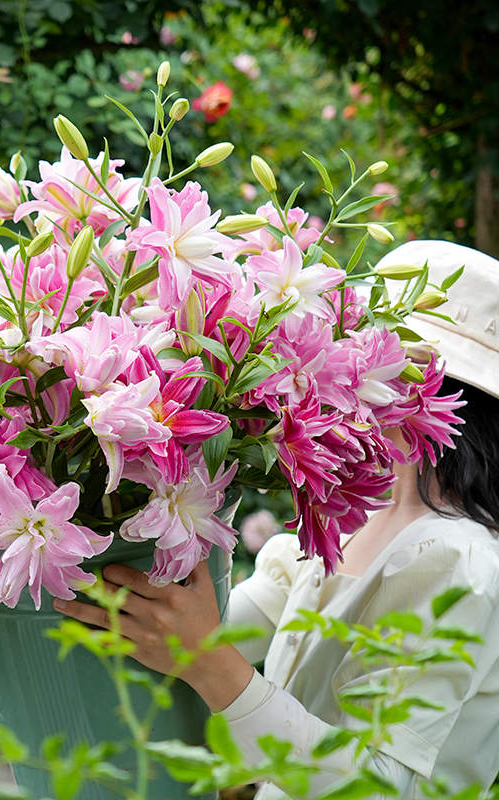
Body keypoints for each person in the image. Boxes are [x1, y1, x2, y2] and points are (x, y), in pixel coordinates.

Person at [54, 240, 499, 798]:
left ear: (426, 387)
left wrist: (209, 663)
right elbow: (208, 624)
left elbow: (381, 787)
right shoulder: (351, 514)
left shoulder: (458, 556)